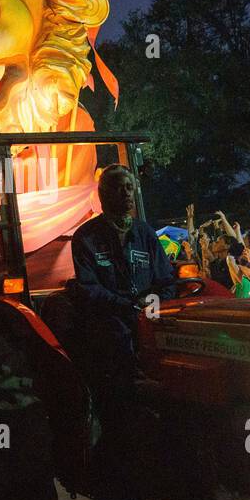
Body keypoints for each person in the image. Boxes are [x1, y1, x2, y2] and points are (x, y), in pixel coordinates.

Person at [70, 165, 176, 399]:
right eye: (119, 189)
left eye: (129, 187)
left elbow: (166, 280)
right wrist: (127, 306)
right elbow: (90, 289)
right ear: (103, 195)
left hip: (150, 319)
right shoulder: (86, 237)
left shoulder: (145, 233)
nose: (126, 194)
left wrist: (155, 306)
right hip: (109, 326)